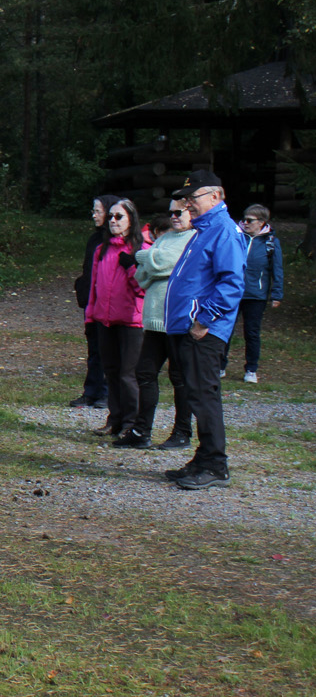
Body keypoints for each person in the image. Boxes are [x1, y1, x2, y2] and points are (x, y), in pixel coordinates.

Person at [162, 171, 244, 490]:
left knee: (203, 394)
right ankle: (204, 456)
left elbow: (232, 283)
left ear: (216, 196)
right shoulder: (204, 231)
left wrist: (203, 319)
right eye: (185, 199)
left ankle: (215, 463)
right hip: (190, 328)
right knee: (195, 393)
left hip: (204, 332)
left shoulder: (223, 230)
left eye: (192, 198)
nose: (187, 205)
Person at [120, 203, 195, 450]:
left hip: (177, 320)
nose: (173, 217)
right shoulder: (166, 239)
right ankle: (142, 431)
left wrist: (143, 257)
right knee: (145, 373)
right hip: (153, 319)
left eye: (179, 213)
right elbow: (144, 274)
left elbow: (167, 262)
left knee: (179, 377)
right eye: (170, 213)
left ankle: (182, 432)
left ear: (191, 213)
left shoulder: (195, 238)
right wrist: (153, 264)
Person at [85, 199, 145, 438]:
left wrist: (132, 268)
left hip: (131, 321)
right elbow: (94, 286)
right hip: (104, 319)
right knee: (110, 371)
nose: (112, 221)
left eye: (119, 217)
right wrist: (91, 314)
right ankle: (115, 418)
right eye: (110, 216)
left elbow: (144, 287)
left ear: (131, 220)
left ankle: (131, 421)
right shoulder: (102, 250)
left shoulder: (141, 250)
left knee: (127, 374)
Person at [69, 195, 119, 408]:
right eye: (94, 210)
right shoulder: (94, 239)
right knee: (94, 348)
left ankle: (107, 393)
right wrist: (82, 288)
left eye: (98, 211)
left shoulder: (116, 240)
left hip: (109, 303)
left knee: (109, 349)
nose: (94, 215)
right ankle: (92, 390)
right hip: (91, 301)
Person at [230, 204, 283, 383]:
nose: (245, 223)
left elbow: (277, 269)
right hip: (233, 292)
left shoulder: (271, 242)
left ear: (261, 222)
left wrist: (277, 294)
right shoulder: (236, 237)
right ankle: (220, 366)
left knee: (251, 333)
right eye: (244, 219)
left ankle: (251, 369)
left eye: (250, 220)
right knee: (225, 330)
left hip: (256, 295)